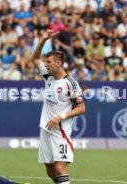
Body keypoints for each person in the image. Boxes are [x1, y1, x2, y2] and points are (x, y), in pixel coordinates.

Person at [31, 29, 86, 184]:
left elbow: (82, 108)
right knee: (51, 171)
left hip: (60, 132)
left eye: (49, 62)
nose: (45, 65)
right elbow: (34, 58)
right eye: (46, 62)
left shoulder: (71, 83)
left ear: (59, 63)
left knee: (60, 168)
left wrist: (60, 116)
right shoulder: (48, 77)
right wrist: (43, 39)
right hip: (45, 130)